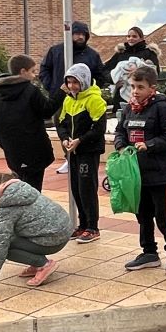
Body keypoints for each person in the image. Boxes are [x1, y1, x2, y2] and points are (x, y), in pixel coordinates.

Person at [115, 64, 166, 275]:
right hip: (136, 174)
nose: (135, 91)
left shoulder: (162, 107)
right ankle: (149, 252)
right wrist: (121, 145)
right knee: (142, 214)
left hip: (161, 174)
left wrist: (149, 145)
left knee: (164, 216)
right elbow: (119, 131)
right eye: (133, 86)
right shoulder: (129, 108)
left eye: (140, 87)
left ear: (152, 88)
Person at [0, 170, 72, 291]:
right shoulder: (23, 192)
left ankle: (43, 265)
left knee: (6, 247)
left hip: (53, 240)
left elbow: (0, 243)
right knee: (11, 236)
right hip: (63, 232)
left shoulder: (6, 209)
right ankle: (36, 264)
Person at [0, 54, 58, 191]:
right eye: (32, 71)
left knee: (19, 185)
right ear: (23, 72)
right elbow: (46, 111)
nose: (34, 75)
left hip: (13, 151)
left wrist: (6, 144)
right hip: (35, 149)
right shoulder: (30, 90)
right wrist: (61, 93)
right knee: (34, 189)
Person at [57, 63, 107, 242]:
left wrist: (80, 140)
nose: (72, 86)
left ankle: (93, 227)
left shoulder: (94, 100)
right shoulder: (68, 100)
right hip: (73, 151)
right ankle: (83, 225)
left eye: (75, 82)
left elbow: (99, 128)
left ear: (84, 81)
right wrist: (64, 138)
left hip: (88, 151)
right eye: (69, 82)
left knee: (87, 188)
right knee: (76, 188)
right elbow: (61, 123)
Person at [39, 21, 106, 95]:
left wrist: (88, 90)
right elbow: (44, 70)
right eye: (77, 34)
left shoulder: (93, 55)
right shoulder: (55, 51)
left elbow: (100, 76)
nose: (81, 37)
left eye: (83, 34)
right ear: (70, 35)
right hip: (58, 96)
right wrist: (52, 88)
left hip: (83, 98)